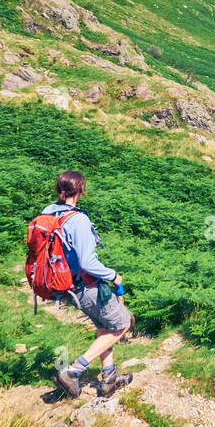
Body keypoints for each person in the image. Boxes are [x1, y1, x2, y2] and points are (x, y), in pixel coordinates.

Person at [45, 170, 135, 398]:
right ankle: (74, 370)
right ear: (81, 190)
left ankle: (110, 377)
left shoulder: (48, 213)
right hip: (87, 286)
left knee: (104, 327)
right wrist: (114, 276)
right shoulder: (78, 219)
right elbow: (88, 262)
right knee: (121, 324)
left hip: (66, 286)